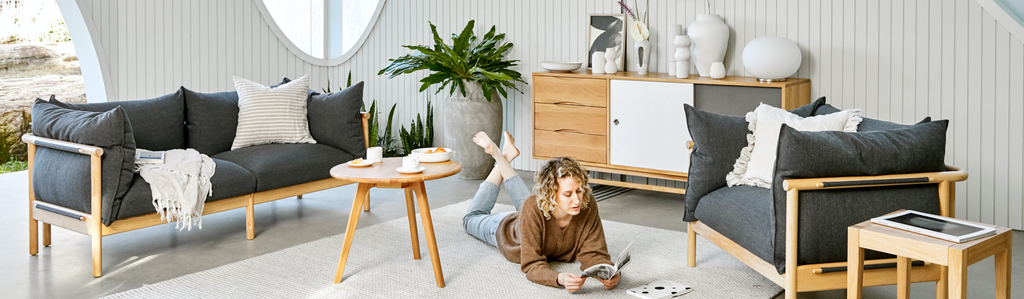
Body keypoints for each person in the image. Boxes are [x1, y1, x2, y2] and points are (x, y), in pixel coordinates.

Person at [463, 131, 620, 293]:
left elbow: (594, 252)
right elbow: (532, 264)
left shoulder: (586, 202)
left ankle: (506, 156)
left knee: (528, 203)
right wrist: (560, 278)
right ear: (551, 195)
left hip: (534, 215)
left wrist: (607, 272)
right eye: (568, 194)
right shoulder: (532, 207)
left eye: (579, 191)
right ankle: (499, 156)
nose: (577, 200)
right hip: (507, 230)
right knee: (470, 219)